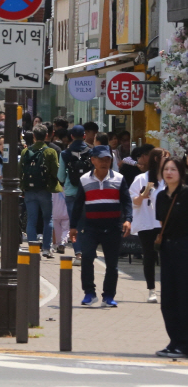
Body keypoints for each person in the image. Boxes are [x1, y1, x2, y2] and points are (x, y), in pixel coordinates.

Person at [69, 145, 132, 308]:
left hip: (113, 228)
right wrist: (73, 226)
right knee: (87, 257)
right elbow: (77, 205)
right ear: (93, 160)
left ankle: (109, 295)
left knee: (112, 264)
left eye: (108, 159)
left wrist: (128, 219)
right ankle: (89, 293)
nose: (105, 162)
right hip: (91, 227)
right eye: (101, 159)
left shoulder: (119, 178)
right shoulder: (84, 180)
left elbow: (126, 201)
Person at [155, 158, 188, 358]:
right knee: (168, 297)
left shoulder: (186, 193)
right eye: (166, 169)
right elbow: (161, 223)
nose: (169, 172)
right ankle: (174, 341)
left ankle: (184, 343)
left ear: (181, 172)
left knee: (184, 296)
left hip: (185, 247)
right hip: (167, 249)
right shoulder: (160, 196)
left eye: (173, 169)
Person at [130, 148, 169, 303]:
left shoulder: (170, 178)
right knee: (149, 256)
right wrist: (141, 196)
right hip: (147, 223)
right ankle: (151, 290)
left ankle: (168, 289)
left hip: (166, 224)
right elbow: (132, 201)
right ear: (156, 160)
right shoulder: (141, 178)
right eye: (165, 157)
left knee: (168, 257)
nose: (168, 160)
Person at [20, 125, 60, 258]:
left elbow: (20, 171)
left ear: (34, 136)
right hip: (45, 189)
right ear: (47, 136)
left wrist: (22, 187)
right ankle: (46, 249)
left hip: (29, 190)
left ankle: (32, 248)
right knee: (48, 219)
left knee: (31, 219)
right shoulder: (50, 152)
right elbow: (56, 171)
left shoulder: (26, 152)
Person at [58, 125, 91, 265]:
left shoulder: (65, 153)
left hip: (71, 192)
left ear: (71, 136)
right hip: (89, 191)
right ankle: (89, 252)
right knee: (88, 224)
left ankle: (78, 254)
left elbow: (60, 176)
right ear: (84, 136)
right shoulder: (91, 151)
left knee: (75, 224)